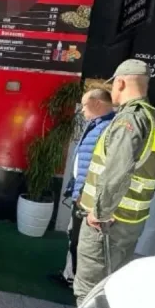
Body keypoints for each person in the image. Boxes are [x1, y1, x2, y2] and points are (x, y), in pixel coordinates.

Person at [73, 59, 155, 305]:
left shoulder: (130, 119)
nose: (112, 91)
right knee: (110, 284)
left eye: (113, 85)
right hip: (130, 220)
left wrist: (100, 211)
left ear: (121, 82)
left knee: (88, 288)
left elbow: (117, 169)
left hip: (107, 222)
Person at [48, 89, 115, 289]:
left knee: (83, 242)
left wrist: (83, 194)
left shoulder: (108, 128)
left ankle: (80, 284)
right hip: (81, 194)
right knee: (74, 236)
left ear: (96, 103)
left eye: (84, 105)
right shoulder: (95, 126)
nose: (82, 111)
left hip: (89, 198)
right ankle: (70, 276)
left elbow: (101, 168)